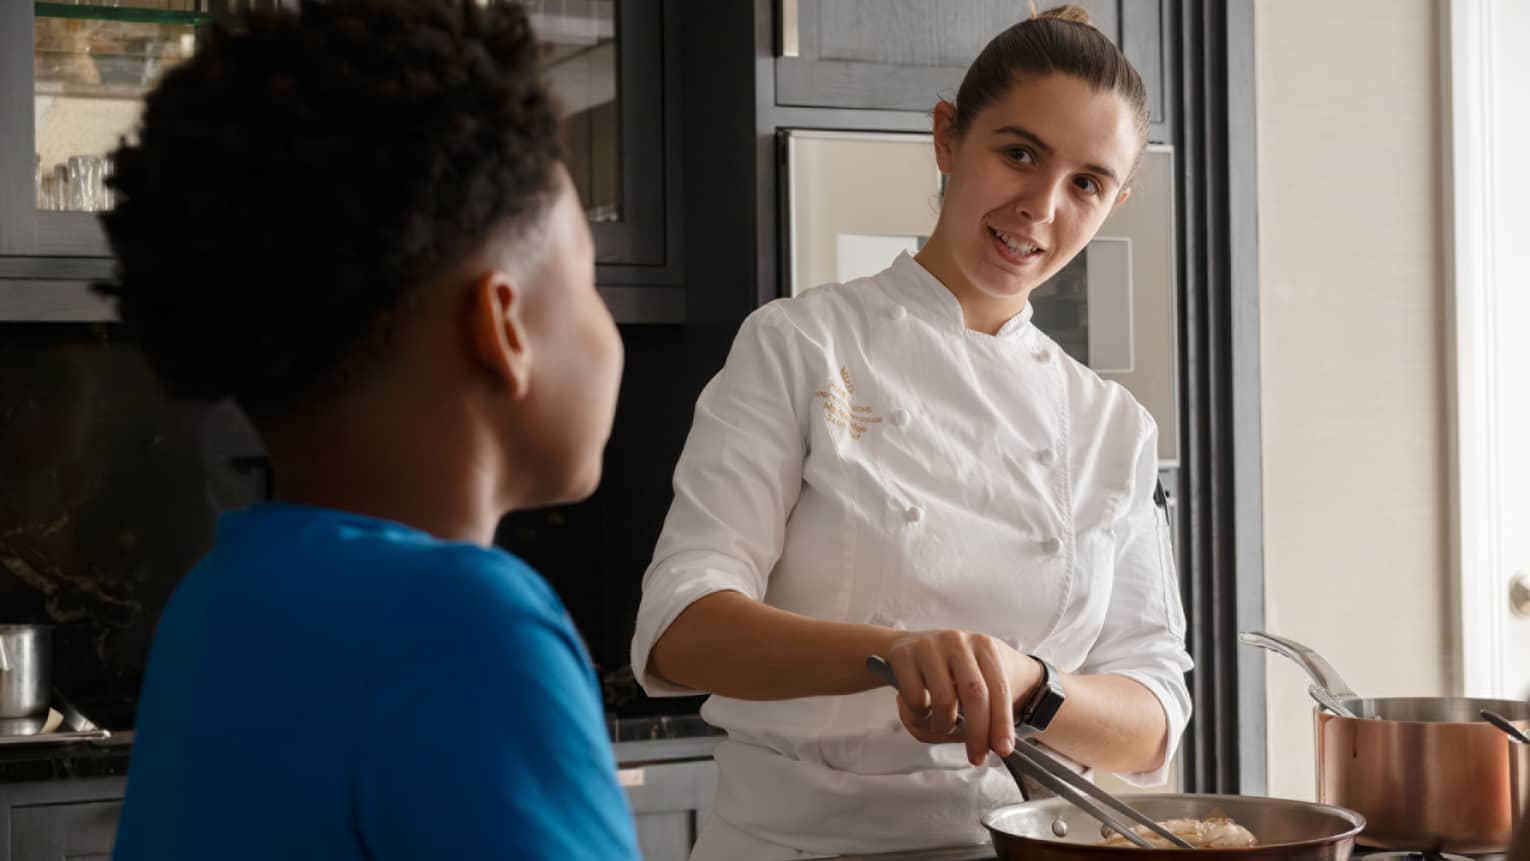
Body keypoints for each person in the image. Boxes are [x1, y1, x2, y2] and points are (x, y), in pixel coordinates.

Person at [630, 5, 1193, 858]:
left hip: (1005, 843)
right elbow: (682, 627)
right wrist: (896, 653)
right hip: (796, 844)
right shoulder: (800, 344)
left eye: (1086, 183)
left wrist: (1031, 685)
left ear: (1115, 199)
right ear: (946, 138)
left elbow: (1155, 717)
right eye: (1019, 153)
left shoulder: (1112, 424)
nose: (1041, 206)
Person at [99, 1, 637, 858]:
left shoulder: (214, 606)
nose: (609, 332)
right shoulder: (471, 628)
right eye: (591, 284)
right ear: (505, 328)